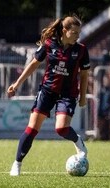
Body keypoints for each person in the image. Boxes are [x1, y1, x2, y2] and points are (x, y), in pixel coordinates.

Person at [7, 15, 90, 176]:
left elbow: (85, 75)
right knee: (32, 129)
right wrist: (17, 84)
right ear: (65, 31)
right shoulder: (49, 44)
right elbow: (33, 65)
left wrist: (83, 97)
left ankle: (78, 141)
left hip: (68, 94)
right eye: (74, 33)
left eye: (79, 33)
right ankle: (17, 164)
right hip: (47, 91)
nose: (77, 36)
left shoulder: (81, 50)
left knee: (61, 128)